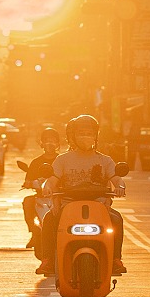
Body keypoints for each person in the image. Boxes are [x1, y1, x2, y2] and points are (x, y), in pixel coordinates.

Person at [41, 114, 125, 275]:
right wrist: (47, 187)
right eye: (81, 133)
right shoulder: (62, 160)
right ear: (73, 137)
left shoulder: (105, 160)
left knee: (117, 220)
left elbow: (117, 178)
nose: (86, 137)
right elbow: (51, 180)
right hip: (67, 206)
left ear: (96, 136)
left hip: (100, 206)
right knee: (49, 220)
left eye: (89, 133)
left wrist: (120, 187)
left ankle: (116, 260)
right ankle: (48, 261)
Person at [19, 126, 63, 234]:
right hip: (40, 197)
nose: (50, 143)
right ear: (41, 143)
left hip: (60, 197)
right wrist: (29, 183)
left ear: (58, 143)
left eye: (53, 141)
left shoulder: (62, 161)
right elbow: (28, 180)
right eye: (47, 140)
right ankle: (34, 232)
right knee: (27, 202)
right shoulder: (35, 162)